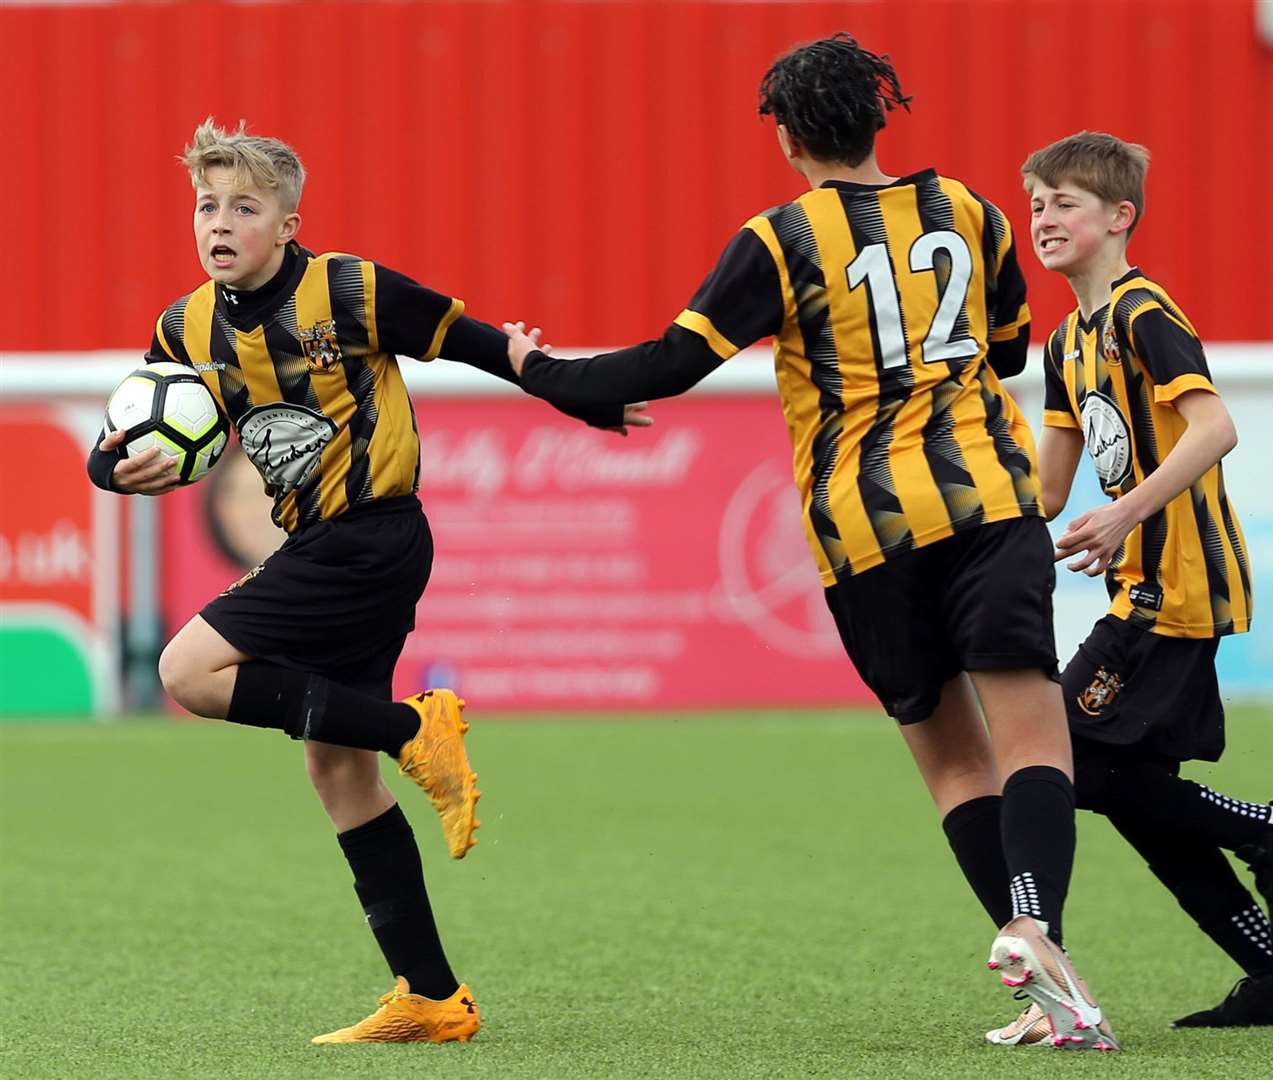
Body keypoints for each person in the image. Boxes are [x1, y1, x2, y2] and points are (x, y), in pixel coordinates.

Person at [501, 34, 1117, 1051]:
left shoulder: (777, 239)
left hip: (863, 535)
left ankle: (1050, 982)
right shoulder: (973, 214)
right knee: (1030, 744)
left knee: (954, 765)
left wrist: (540, 369)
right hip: (985, 506)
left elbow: (664, 364)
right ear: (881, 118)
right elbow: (1009, 348)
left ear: (785, 135)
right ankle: (1035, 931)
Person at [85, 118, 648, 1045]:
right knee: (336, 770)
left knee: (187, 674)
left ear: (289, 222)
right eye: (205, 205)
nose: (219, 223)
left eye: (244, 207)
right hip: (321, 542)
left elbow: (473, 341)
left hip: (374, 535)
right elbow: (138, 435)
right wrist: (114, 470)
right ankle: (432, 997)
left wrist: (571, 387)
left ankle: (413, 728)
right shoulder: (181, 327)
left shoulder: (347, 288)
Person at [989, 130, 1273, 1042]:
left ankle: (1270, 825)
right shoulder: (1065, 342)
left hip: (1176, 588)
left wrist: (1130, 510)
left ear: (1118, 217)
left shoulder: (1144, 311)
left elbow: (1214, 428)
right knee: (1143, 806)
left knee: (1063, 758)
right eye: (1035, 204)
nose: (1043, 218)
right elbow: (1050, 491)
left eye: (1064, 202)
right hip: (1136, 589)